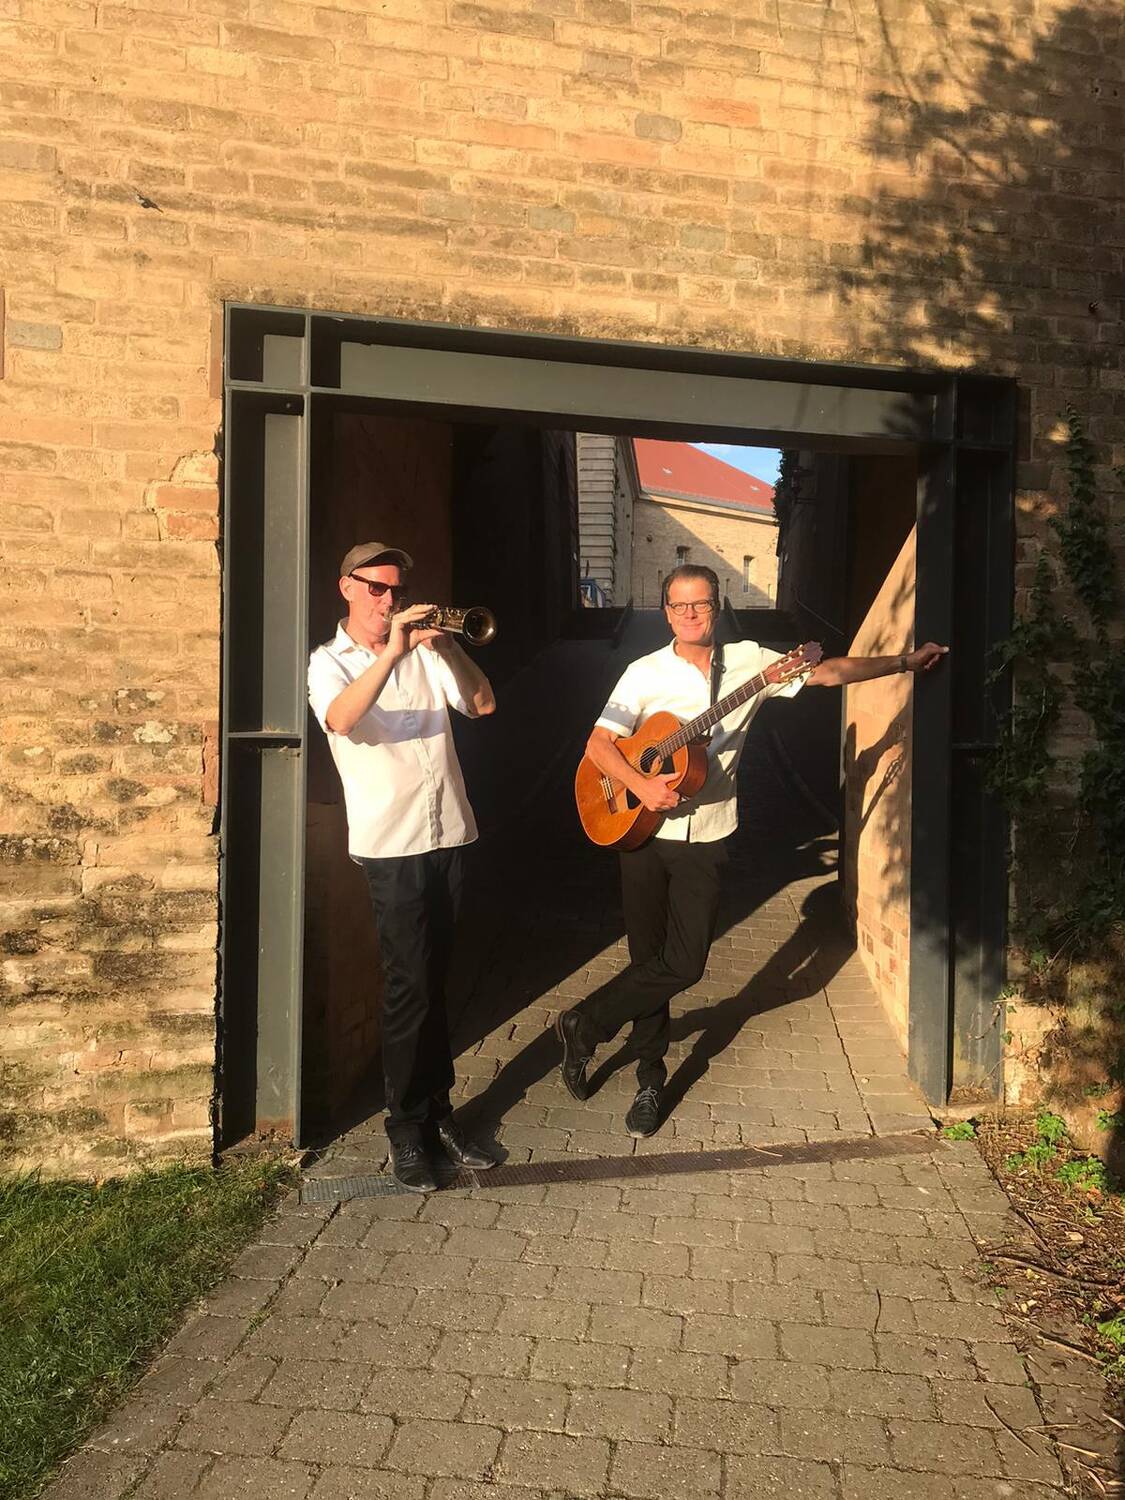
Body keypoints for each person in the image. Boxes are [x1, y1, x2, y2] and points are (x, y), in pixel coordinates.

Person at [556, 563, 947, 1139]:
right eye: (679, 605)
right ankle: (649, 1078)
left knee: (683, 964)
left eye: (700, 604)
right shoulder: (644, 672)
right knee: (647, 962)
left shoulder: (750, 662)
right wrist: (640, 784)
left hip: (708, 834)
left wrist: (904, 662)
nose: (690, 614)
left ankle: (584, 1024)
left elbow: (828, 672)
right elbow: (599, 745)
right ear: (666, 612)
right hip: (641, 832)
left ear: (717, 607)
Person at [308, 542, 498, 1193]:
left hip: (449, 832)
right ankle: (405, 1128)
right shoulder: (328, 661)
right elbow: (340, 719)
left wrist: (445, 647)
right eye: (376, 588)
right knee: (407, 988)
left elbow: (483, 704)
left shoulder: (425, 653)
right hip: (391, 845)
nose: (388, 600)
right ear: (346, 587)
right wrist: (391, 653)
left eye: (395, 590)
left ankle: (439, 1114)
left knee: (436, 983)